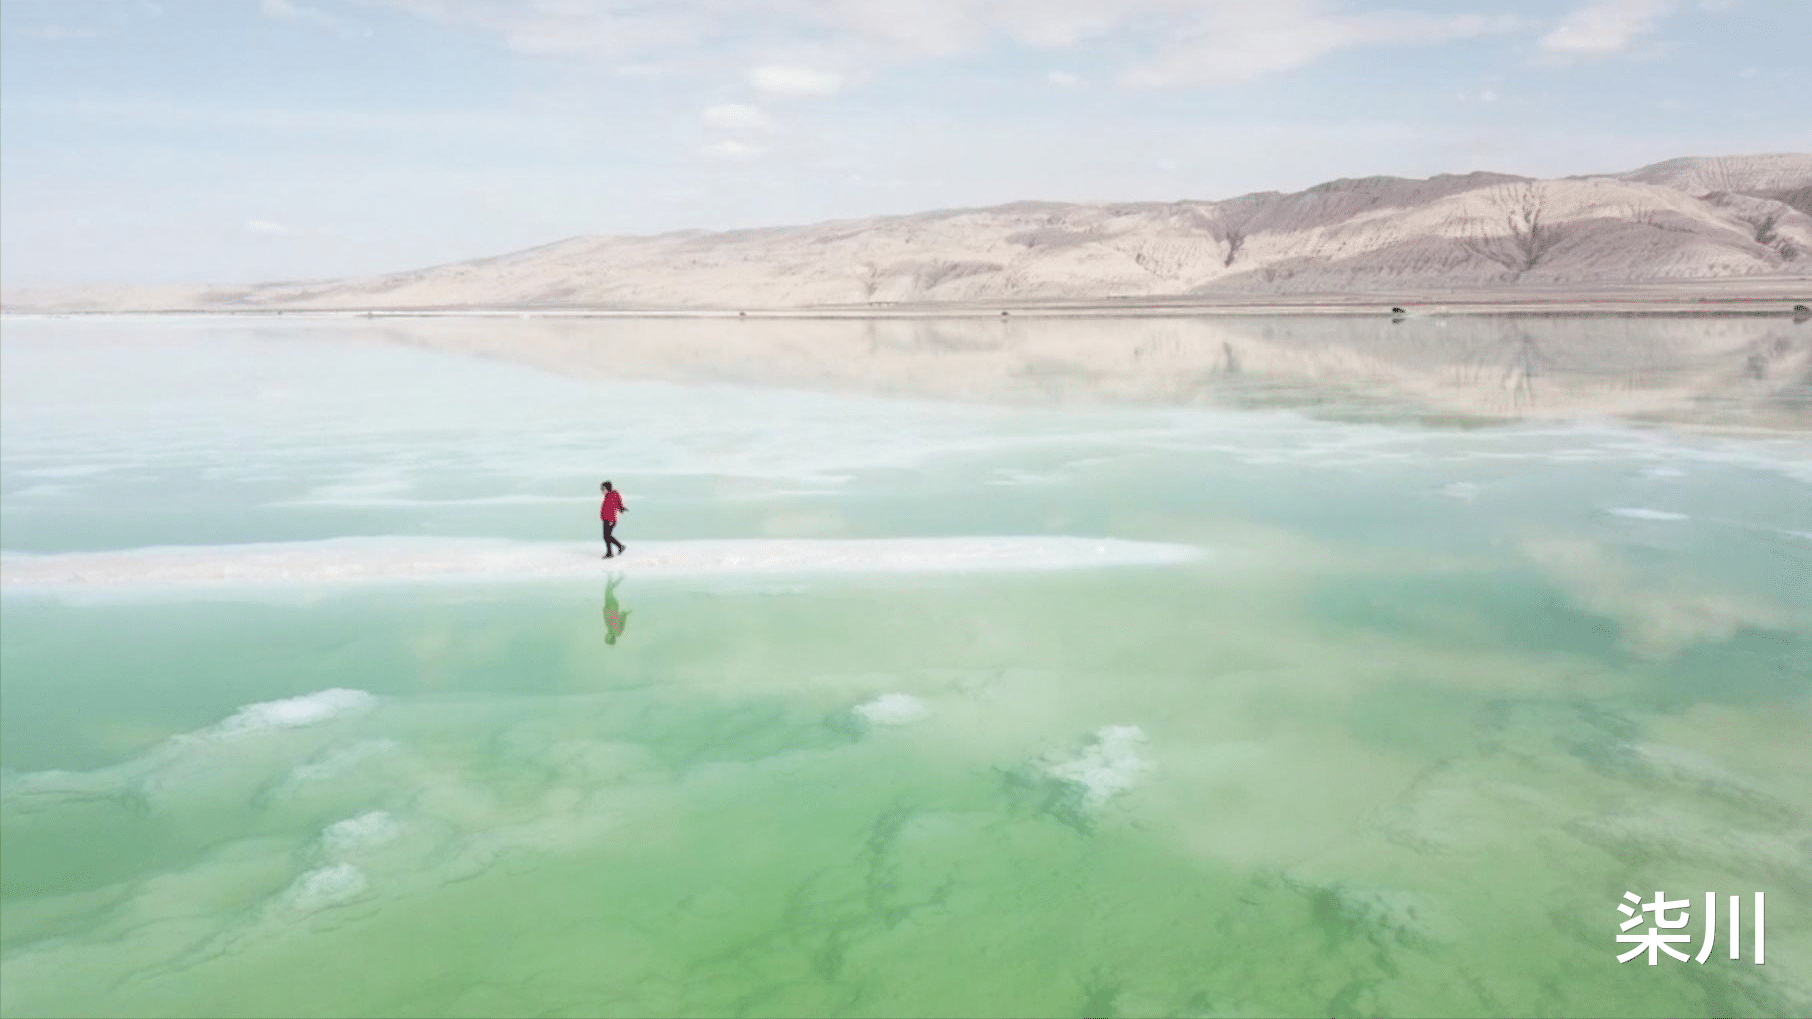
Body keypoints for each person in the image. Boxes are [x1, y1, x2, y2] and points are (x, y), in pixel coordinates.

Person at [599, 480, 627, 558]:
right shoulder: (609, 495)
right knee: (607, 536)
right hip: (606, 519)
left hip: (610, 519)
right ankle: (616, 548)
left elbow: (617, 504)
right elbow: (618, 504)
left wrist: (621, 508)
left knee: (607, 536)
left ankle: (612, 551)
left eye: (602, 489)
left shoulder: (612, 495)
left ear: (606, 488)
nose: (602, 491)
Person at [602, 574, 630, 645]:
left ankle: (617, 577)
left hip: (609, 608)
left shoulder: (612, 630)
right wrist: (624, 614)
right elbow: (622, 622)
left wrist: (604, 610)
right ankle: (611, 576)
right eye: (606, 638)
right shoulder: (617, 631)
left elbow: (608, 619)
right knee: (608, 590)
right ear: (610, 638)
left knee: (609, 590)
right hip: (612, 608)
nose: (605, 636)